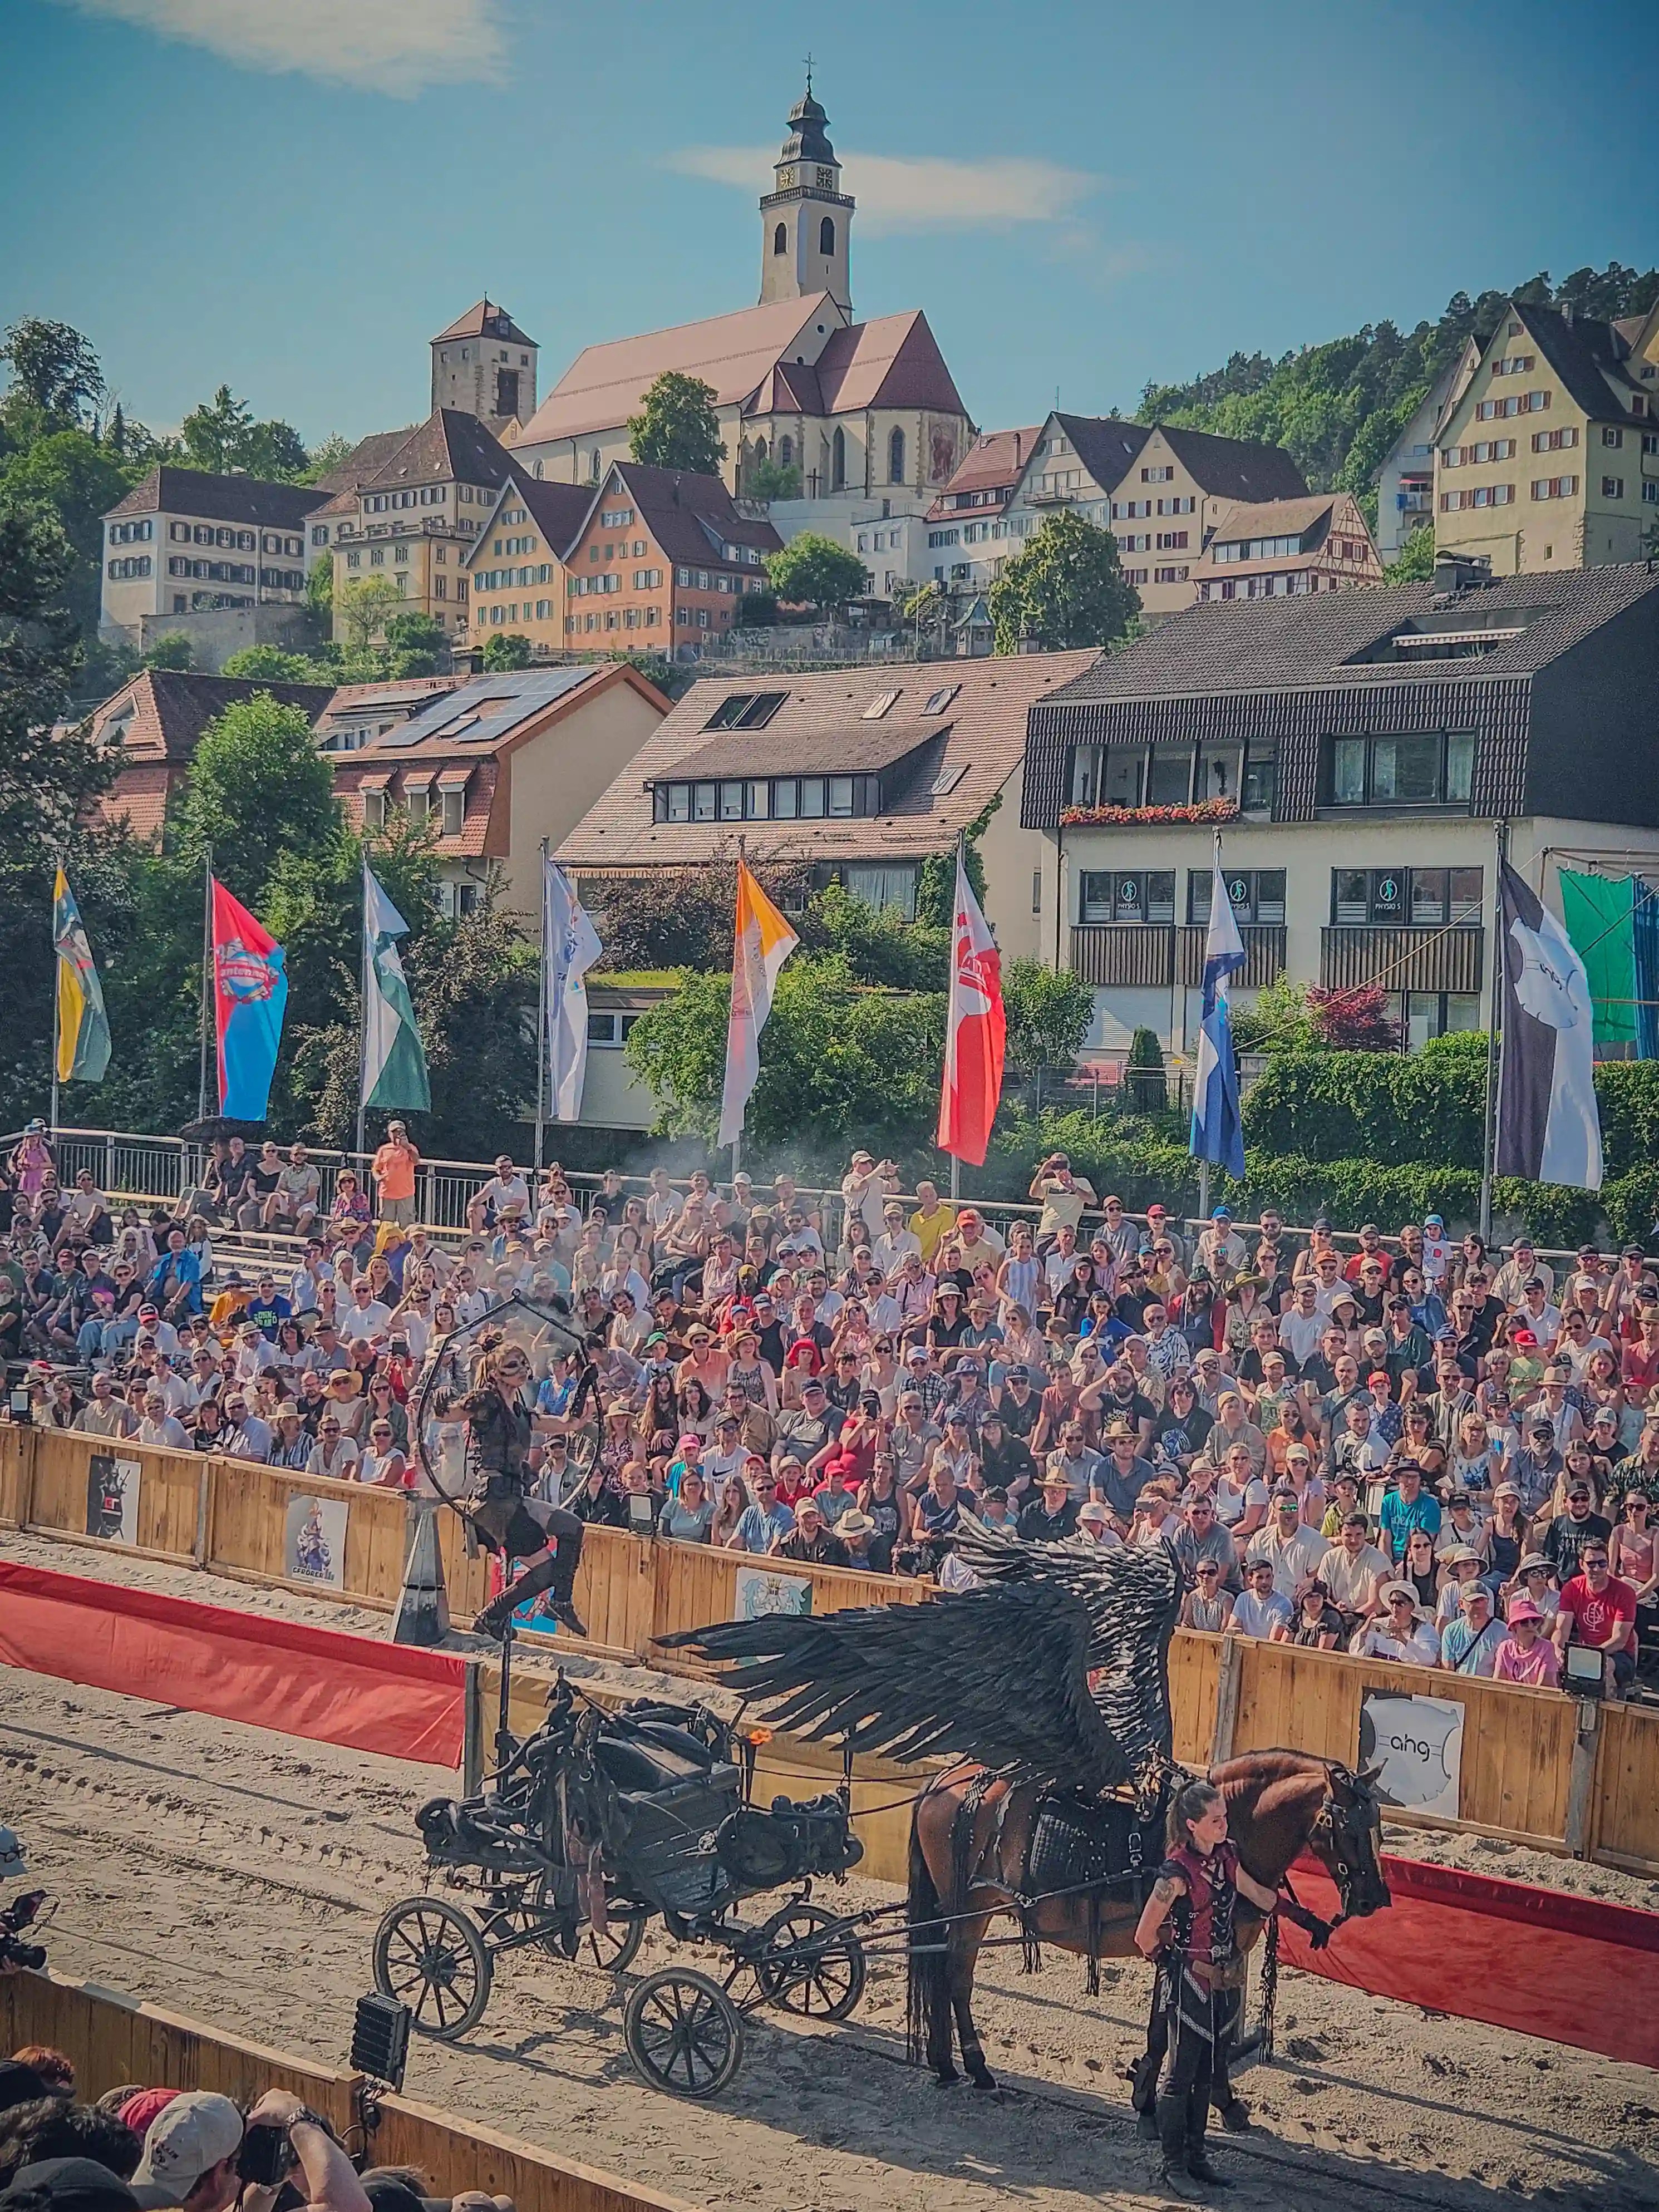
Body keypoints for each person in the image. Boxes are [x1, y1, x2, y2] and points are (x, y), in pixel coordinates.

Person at [1134, 1777, 1279, 2194]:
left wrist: (1306, 1916)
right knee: (1179, 2077)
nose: (1223, 1825)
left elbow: (1257, 1894)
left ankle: (1197, 2158)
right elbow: (1144, 1936)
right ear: (1193, 1824)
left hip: (1219, 1985)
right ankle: (1173, 2165)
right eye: (1215, 1819)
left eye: (1225, 1817)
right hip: (1187, 1984)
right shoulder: (1175, 1874)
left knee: (1204, 2074)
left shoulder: (1227, 1856)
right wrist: (1173, 1966)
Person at [440, 1337, 587, 1640]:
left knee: (571, 1526)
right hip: (492, 1498)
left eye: (523, 1364)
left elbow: (565, 1423)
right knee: (545, 1570)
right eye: (512, 1366)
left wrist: (584, 1386)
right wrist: (439, 1391)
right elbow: (448, 1414)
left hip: (514, 1496)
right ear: (495, 1373)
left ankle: (560, 1601)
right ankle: (492, 1616)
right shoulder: (486, 1401)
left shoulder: (521, 1412)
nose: (521, 1370)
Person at [1553, 1540, 1638, 1696]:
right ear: (1581, 1564)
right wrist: (1558, 1651)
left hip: (1619, 1655)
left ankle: (1609, 1716)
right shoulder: (1571, 1588)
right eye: (1591, 1564)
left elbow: (1619, 1639)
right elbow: (1561, 1629)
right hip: (1585, 1651)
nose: (1597, 1569)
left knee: (1604, 1668)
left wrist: (1589, 1657)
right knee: (1551, 1665)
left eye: (1602, 1563)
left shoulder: (1624, 1592)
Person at [1494, 1594, 1561, 1686]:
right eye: (1524, 1622)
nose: (1531, 1626)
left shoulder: (1547, 1648)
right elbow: (1497, 1685)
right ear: (1514, 1626)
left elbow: (1545, 1689)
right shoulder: (1505, 1648)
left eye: (1534, 1621)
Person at [370, 1124, 420, 1228]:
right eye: (394, 1132)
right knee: (386, 1227)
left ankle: (406, 1244)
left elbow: (416, 1161)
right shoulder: (384, 1150)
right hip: (387, 1194)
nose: (397, 1134)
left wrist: (407, 1147)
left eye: (400, 1132)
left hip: (406, 1194)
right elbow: (376, 1169)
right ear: (389, 1134)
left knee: (407, 1227)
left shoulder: (411, 1148)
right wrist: (378, 1177)